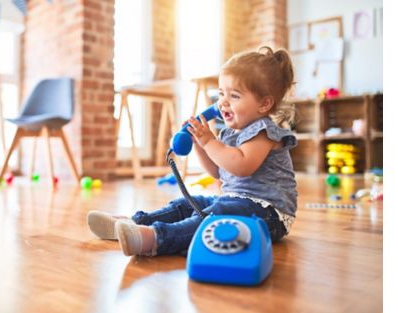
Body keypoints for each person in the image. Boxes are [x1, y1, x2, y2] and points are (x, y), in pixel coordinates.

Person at [87, 46, 298, 256]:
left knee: (214, 215)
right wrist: (198, 143)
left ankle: (154, 238)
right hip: (236, 202)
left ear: (264, 103)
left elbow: (241, 166)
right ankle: (134, 223)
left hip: (269, 215)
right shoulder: (230, 134)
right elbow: (218, 171)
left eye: (234, 95)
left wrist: (208, 142)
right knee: (187, 204)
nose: (223, 102)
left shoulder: (263, 132)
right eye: (221, 93)